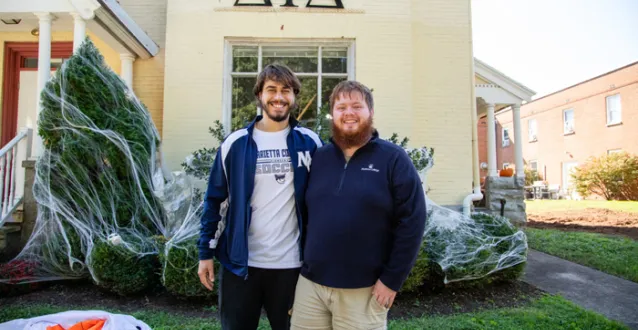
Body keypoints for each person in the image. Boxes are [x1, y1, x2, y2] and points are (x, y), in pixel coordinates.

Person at [291, 81, 427, 329]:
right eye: (341, 107)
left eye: (357, 106)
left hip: (364, 291)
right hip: (311, 287)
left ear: (370, 112)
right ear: (333, 114)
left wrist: (392, 279)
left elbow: (413, 221)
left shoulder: (393, 159)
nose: (349, 113)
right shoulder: (319, 157)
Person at [197, 64, 323, 330]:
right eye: (271, 90)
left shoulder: (311, 143)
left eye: (285, 90)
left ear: (294, 97)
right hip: (241, 265)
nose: (278, 97)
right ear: (259, 96)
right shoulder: (235, 144)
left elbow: (326, 203)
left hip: (293, 267)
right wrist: (205, 252)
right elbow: (215, 201)